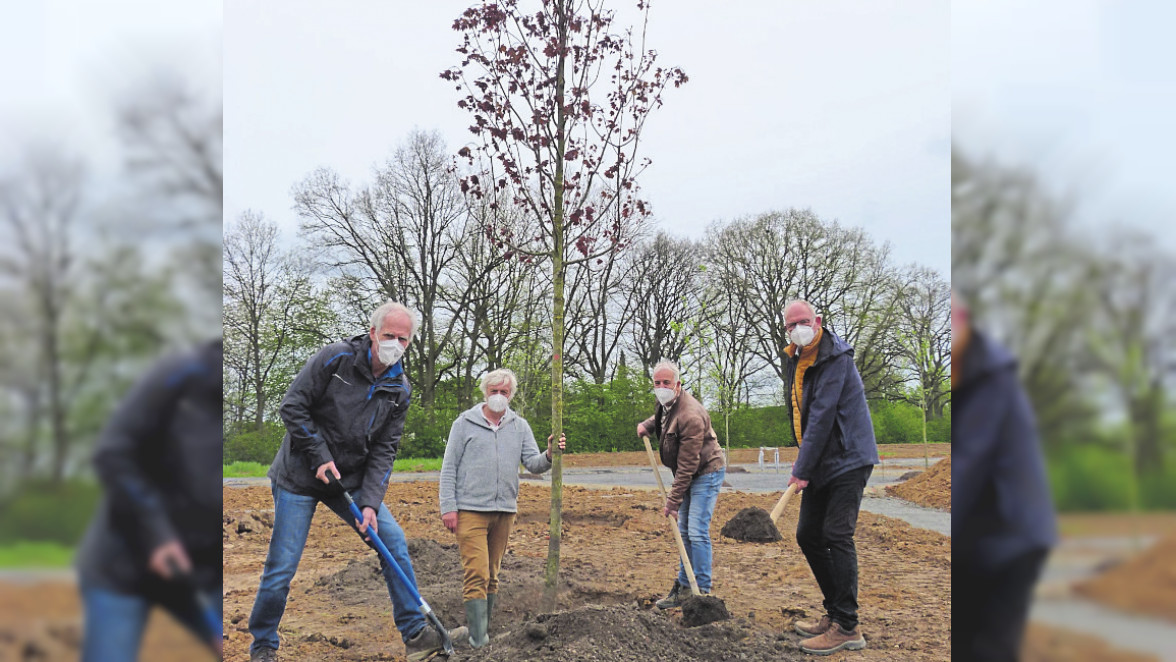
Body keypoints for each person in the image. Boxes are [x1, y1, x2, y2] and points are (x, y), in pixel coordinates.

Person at [248, 301, 455, 662]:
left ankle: (416, 634)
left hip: (353, 480)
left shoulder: (400, 389)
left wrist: (371, 503)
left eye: (402, 339)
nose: (394, 343)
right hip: (300, 474)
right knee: (282, 565)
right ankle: (263, 643)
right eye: (388, 335)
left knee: (392, 542)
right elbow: (292, 406)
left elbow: (384, 452)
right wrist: (318, 454)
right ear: (373, 332)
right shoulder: (335, 358)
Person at [76, 338, 224, 661]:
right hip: (125, 565)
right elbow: (112, 452)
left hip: (202, 572)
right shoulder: (180, 373)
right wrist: (157, 534)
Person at [952, 292, 1056, 661]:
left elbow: (969, 465)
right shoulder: (969, 372)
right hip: (981, 537)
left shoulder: (990, 378)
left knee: (989, 647)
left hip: (1012, 538)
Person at [438, 368, 565, 648]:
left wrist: (550, 454)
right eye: (493, 391)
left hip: (505, 511)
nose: (498, 396)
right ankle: (478, 640)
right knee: (477, 573)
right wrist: (448, 507)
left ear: (511, 395)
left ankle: (481, 632)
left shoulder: (519, 426)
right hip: (470, 510)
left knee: (492, 575)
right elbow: (449, 468)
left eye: (504, 392)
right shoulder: (464, 424)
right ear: (485, 392)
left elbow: (533, 464)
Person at [782, 300, 879, 656]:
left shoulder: (836, 358)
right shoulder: (796, 358)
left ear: (817, 321)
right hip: (822, 459)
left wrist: (801, 469)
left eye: (802, 322)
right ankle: (834, 612)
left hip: (848, 457)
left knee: (836, 534)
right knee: (808, 534)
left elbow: (822, 417)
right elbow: (801, 414)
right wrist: (806, 462)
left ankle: (848, 627)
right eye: (791, 325)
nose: (797, 329)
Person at [636, 359, 726, 609]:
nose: (662, 386)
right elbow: (662, 418)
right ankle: (685, 587)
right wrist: (647, 425)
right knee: (684, 531)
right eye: (657, 382)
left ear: (678, 385)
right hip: (688, 473)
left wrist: (673, 502)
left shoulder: (691, 416)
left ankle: (704, 594)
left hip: (706, 472)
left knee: (696, 531)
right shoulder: (665, 402)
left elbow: (687, 467)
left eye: (667, 382)